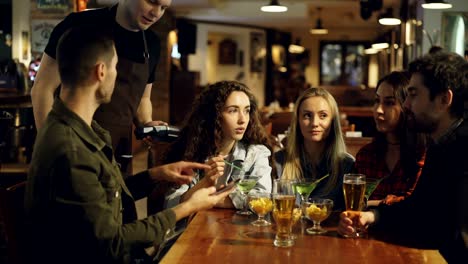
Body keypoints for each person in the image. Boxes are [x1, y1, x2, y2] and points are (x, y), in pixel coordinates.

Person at [24, 26, 232, 264]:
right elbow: (112, 244)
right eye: (115, 67)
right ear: (101, 71)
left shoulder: (81, 129)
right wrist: (185, 208)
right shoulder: (71, 150)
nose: (116, 75)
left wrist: (156, 175)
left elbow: (103, 195)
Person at [338, 52, 468, 263]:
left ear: (445, 99)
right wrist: (372, 216)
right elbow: (416, 207)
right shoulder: (440, 144)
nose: (406, 105)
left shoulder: (461, 150)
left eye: (413, 95)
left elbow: (440, 230)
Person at [31, 0, 171, 172]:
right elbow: (42, 89)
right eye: (152, 2)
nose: (156, 13)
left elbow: (143, 98)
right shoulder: (79, 25)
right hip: (72, 144)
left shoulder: (152, 43)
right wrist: (52, 149)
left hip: (119, 152)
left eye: (163, 8)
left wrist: (147, 124)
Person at [163, 81, 273, 211]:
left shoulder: (255, 153)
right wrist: (205, 182)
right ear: (214, 115)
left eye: (247, 111)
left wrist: (207, 199)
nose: (243, 119)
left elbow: (263, 199)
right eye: (233, 110)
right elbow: (171, 205)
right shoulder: (189, 151)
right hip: (193, 228)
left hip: (234, 228)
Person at [274, 87, 355, 210]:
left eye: (323, 115)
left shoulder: (347, 165)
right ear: (297, 121)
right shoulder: (279, 161)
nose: (314, 123)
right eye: (307, 115)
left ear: (333, 121)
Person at [354, 71, 426, 206]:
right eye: (376, 101)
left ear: (407, 106)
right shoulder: (366, 155)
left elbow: (415, 205)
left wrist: (372, 204)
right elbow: (355, 203)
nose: (378, 110)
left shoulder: (422, 155)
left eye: (389, 103)